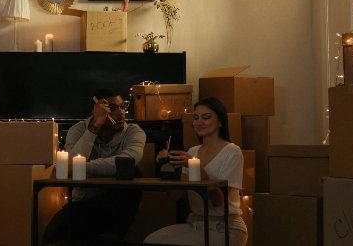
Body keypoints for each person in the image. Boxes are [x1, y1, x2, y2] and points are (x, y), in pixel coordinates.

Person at [41, 88, 147, 245]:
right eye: (112, 108)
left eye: (123, 107)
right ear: (96, 110)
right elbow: (70, 162)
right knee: (51, 236)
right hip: (84, 202)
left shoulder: (133, 132)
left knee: (135, 172)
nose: (121, 113)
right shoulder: (78, 130)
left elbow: (127, 161)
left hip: (116, 205)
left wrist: (82, 168)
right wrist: (94, 127)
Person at [144, 97, 248, 246]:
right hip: (195, 224)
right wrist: (167, 166)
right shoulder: (193, 151)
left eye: (206, 117)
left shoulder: (232, 151)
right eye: (196, 118)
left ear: (220, 122)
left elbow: (218, 201)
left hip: (225, 227)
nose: (199, 122)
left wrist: (195, 166)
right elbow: (175, 196)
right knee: (151, 240)